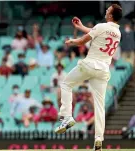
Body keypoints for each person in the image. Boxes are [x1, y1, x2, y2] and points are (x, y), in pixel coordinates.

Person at [54, 4, 122, 151]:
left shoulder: (102, 26)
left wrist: (72, 41)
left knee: (66, 84)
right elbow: (95, 32)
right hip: (103, 70)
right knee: (99, 105)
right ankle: (98, 140)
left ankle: (67, 117)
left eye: (108, 10)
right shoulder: (117, 32)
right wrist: (82, 27)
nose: (106, 11)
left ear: (111, 15)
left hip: (90, 65)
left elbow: (82, 41)